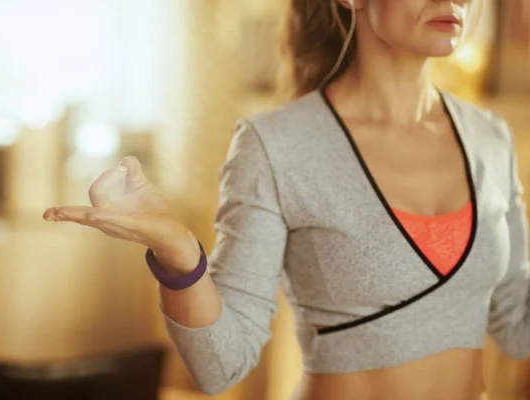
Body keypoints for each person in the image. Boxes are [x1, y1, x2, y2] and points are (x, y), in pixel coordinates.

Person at [43, 0, 530, 399]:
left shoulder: (490, 138)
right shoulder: (276, 145)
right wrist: (180, 256)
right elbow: (221, 366)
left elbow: (517, 326)